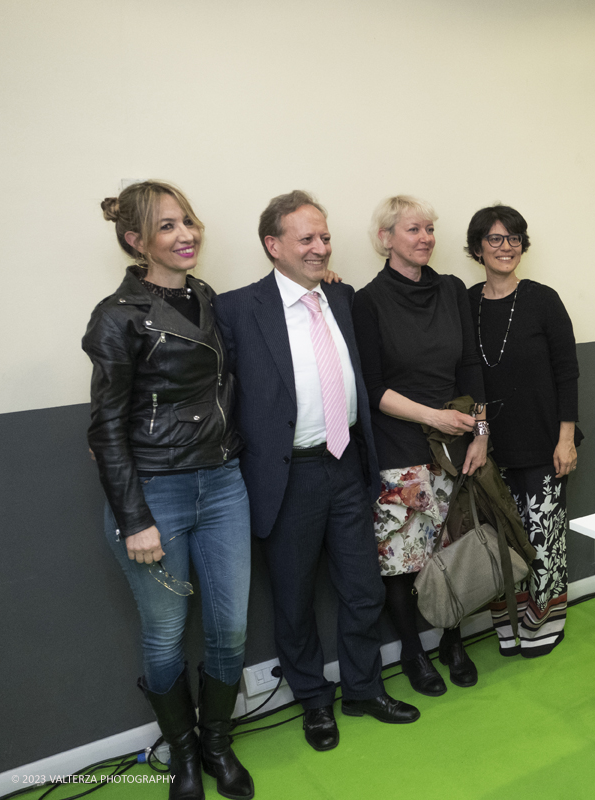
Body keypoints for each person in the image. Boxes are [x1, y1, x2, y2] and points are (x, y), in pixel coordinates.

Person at [215, 190, 419, 755]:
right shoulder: (237, 309)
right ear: (272, 245)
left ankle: (361, 687)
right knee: (295, 599)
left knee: (362, 590)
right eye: (306, 238)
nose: (320, 247)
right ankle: (313, 700)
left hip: (348, 464)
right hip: (287, 477)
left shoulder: (343, 298)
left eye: (324, 237)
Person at [84, 181, 253, 800]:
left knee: (230, 629)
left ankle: (216, 743)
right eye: (166, 228)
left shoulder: (207, 297)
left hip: (225, 483)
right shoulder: (117, 316)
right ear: (137, 241)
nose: (186, 236)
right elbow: (104, 429)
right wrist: (134, 519)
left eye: (189, 222)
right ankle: (183, 756)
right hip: (156, 495)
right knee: (164, 633)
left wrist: (319, 286)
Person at [351, 195, 489, 697]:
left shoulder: (452, 290)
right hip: (399, 448)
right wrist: (433, 416)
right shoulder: (366, 302)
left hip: (454, 448)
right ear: (386, 238)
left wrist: (480, 433)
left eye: (430, 228)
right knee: (403, 560)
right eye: (413, 229)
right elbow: (372, 388)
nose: (425, 238)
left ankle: (454, 641)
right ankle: (413, 652)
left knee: (452, 550)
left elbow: (471, 367)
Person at [464, 205, 579, 657]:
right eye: (495, 239)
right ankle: (509, 624)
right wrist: (482, 431)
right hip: (490, 448)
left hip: (544, 445)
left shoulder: (542, 299)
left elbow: (567, 372)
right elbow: (472, 381)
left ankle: (545, 623)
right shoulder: (466, 303)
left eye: (514, 238)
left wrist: (566, 437)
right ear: (478, 248)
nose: (506, 247)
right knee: (500, 542)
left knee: (544, 540)